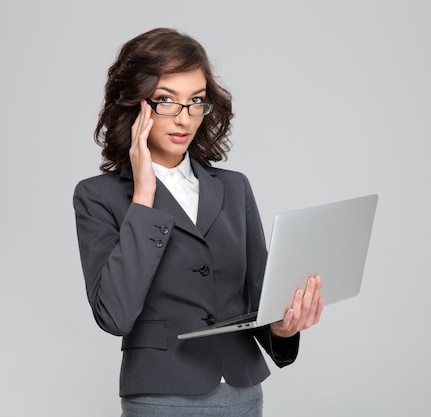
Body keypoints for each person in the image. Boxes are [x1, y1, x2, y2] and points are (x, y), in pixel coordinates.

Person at [73, 27, 323, 417]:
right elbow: (115, 315)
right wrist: (143, 197)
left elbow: (258, 300)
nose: (184, 118)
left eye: (196, 101)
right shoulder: (97, 196)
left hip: (242, 393)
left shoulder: (234, 187)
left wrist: (283, 327)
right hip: (160, 396)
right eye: (166, 101)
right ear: (135, 104)